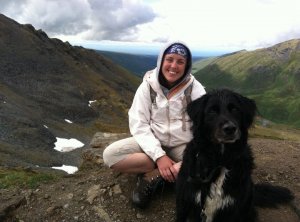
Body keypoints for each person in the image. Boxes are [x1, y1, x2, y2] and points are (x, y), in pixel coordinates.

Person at [103, 41, 206, 209]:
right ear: (161, 61)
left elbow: (205, 129)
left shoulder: (195, 89)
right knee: (111, 155)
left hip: (184, 146)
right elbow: (139, 123)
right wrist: (159, 156)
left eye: (180, 62)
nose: (174, 66)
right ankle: (165, 169)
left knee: (213, 163)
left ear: (187, 66)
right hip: (152, 142)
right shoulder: (148, 87)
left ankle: (155, 175)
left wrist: (186, 161)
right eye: (170, 59)